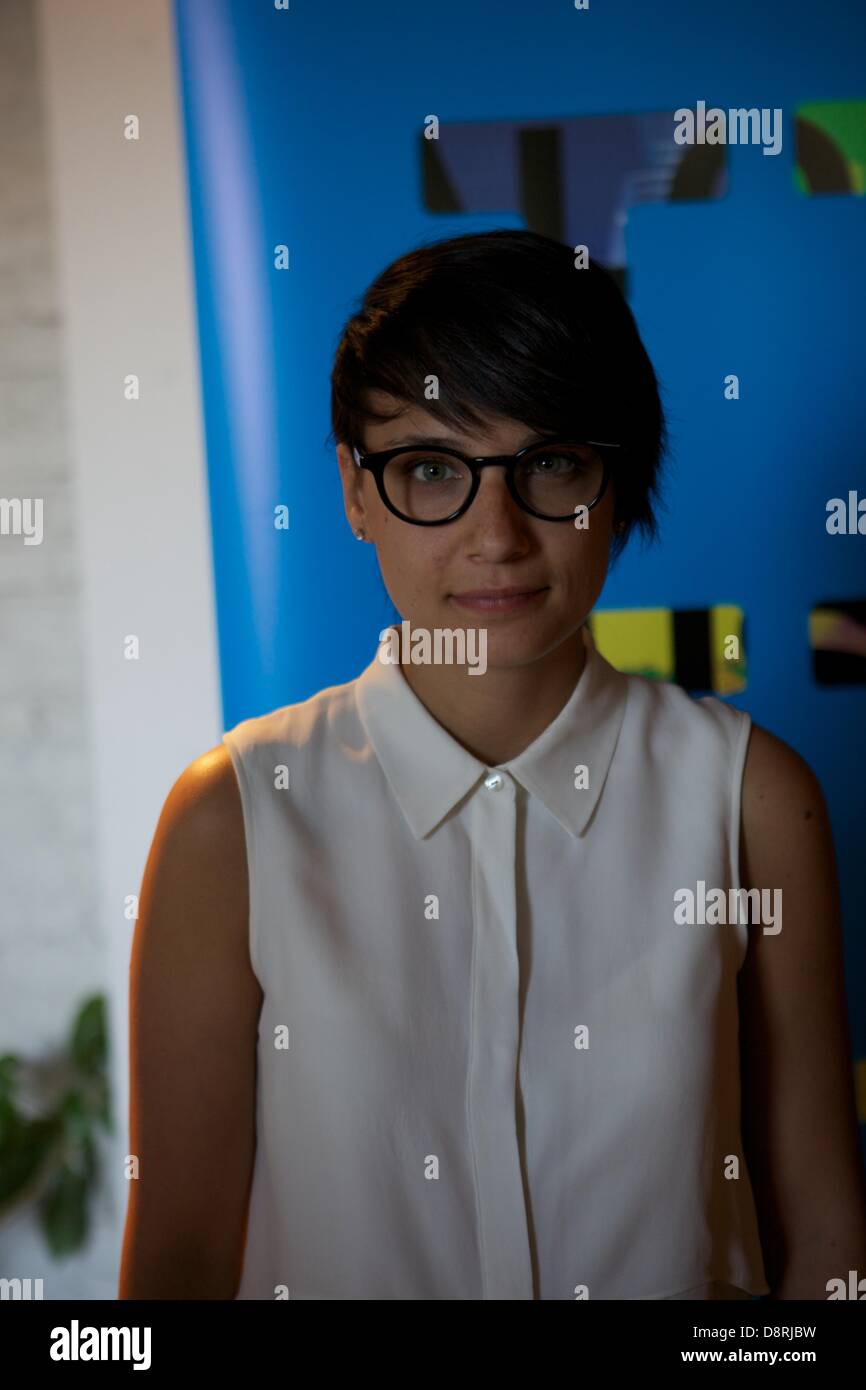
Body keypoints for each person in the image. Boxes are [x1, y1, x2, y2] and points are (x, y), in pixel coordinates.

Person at [119, 229, 866, 1300]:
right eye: (431, 469)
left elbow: (825, 1241)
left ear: (613, 480)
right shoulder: (233, 817)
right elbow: (177, 1265)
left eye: (548, 463)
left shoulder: (749, 798)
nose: (495, 533)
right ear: (355, 490)